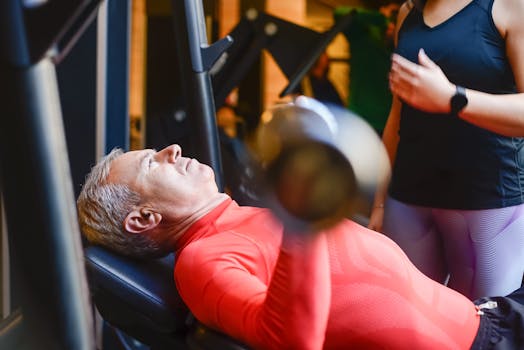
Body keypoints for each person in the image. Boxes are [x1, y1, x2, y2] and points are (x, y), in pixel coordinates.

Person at [77, 142, 524, 349]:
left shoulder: (241, 217)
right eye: (152, 164)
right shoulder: (201, 260)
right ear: (144, 219)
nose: (171, 150)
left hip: (496, 317)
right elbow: (288, 338)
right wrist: (302, 216)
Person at [368, 0, 524, 301]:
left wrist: (453, 98)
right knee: (408, 325)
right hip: (409, 200)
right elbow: (397, 115)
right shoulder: (408, 13)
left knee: (484, 331)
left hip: (487, 202)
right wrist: (379, 203)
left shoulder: (509, 6)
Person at [335, 0, 402, 136]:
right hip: (359, 119)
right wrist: (380, 18)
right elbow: (339, 14)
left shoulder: (402, 46)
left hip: (390, 123)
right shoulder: (363, 35)